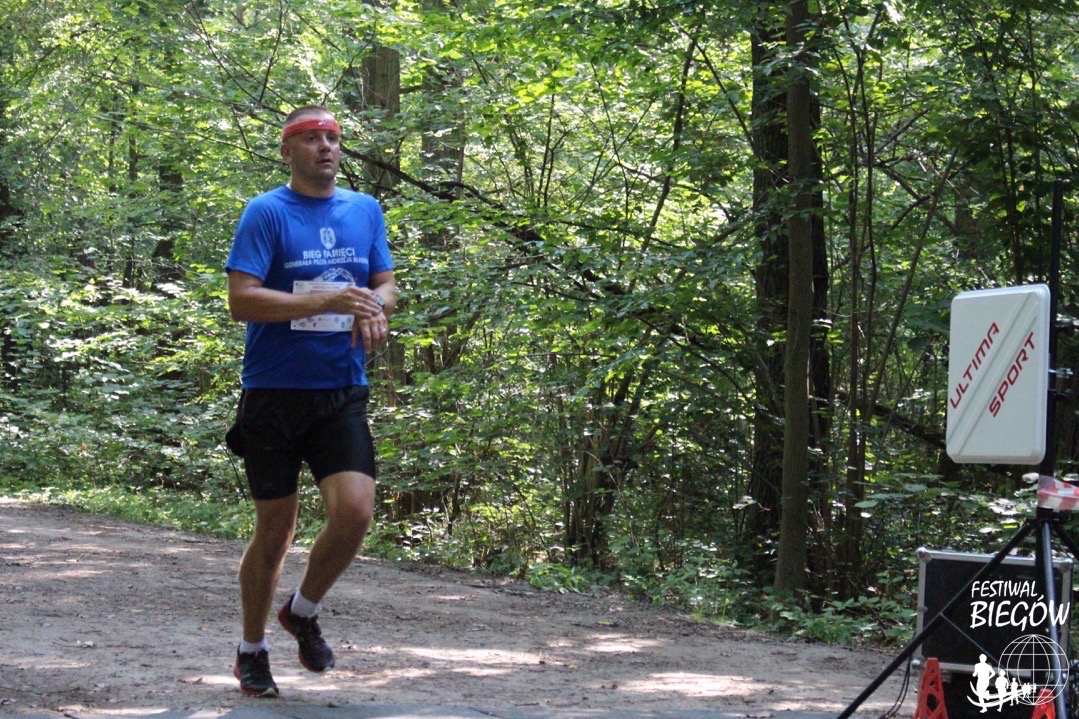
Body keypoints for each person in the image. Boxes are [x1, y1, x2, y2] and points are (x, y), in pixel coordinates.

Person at [224, 105, 395, 697]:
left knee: (355, 512)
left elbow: (384, 283)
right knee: (275, 531)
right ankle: (251, 650)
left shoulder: (364, 209)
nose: (325, 147)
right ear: (287, 151)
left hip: (340, 389)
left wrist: (375, 307)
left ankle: (301, 610)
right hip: (273, 392)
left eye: (333, 138)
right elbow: (242, 300)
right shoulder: (266, 212)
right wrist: (328, 300)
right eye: (311, 138)